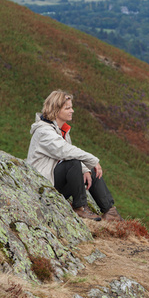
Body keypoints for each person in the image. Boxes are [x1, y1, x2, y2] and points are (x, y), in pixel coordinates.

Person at [27, 90, 123, 222]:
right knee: (74, 163)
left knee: (90, 170)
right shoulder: (44, 132)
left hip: (55, 180)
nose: (72, 111)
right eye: (68, 108)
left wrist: (86, 169)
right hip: (43, 185)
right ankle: (80, 207)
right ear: (56, 110)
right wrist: (93, 160)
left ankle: (110, 212)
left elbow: (68, 154)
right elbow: (65, 151)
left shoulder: (61, 130)